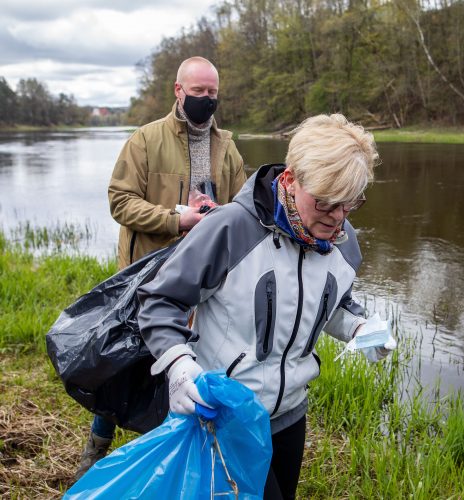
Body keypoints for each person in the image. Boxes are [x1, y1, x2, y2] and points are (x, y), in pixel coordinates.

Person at [136, 113, 397, 499]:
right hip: (224, 415)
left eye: (350, 204)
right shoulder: (229, 230)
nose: (338, 218)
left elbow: (335, 303)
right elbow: (160, 300)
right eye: (326, 203)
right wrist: (178, 365)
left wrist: (360, 328)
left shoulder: (343, 240)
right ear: (290, 181)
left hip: (291, 414)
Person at [75, 56, 247, 480]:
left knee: (187, 365)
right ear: (178, 90)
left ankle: (172, 461)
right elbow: (120, 201)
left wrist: (220, 213)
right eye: (199, 91)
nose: (207, 100)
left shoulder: (227, 146)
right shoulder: (145, 140)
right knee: (129, 366)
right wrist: (177, 218)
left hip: (205, 282)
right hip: (148, 277)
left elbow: (244, 208)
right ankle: (96, 450)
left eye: (213, 93)